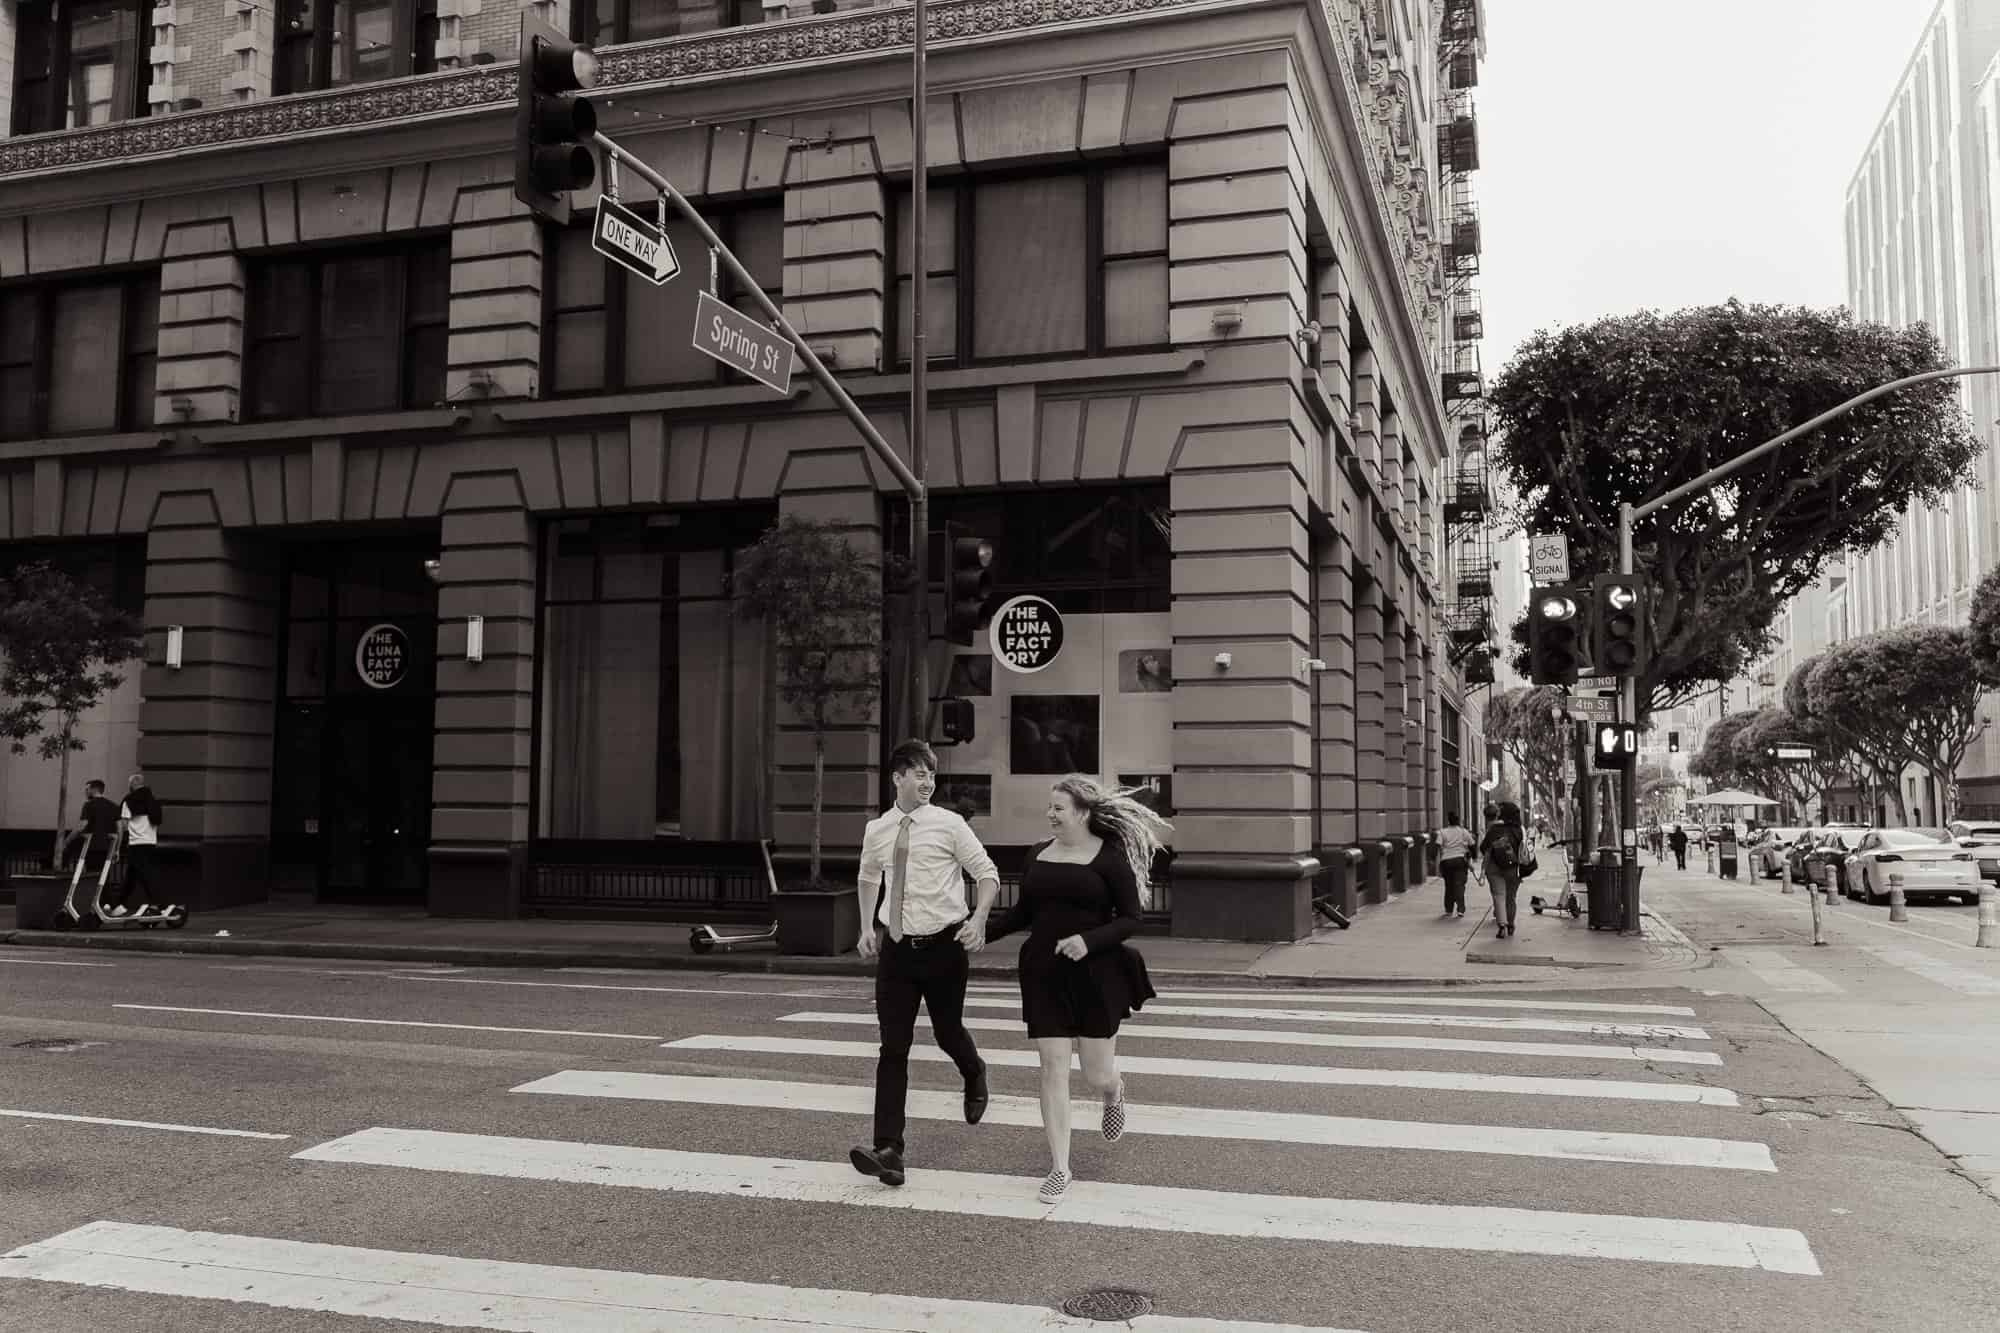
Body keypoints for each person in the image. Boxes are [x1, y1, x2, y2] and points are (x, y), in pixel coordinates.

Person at [986, 776, 1167, 1204]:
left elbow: (1131, 919)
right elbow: (1022, 914)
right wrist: (978, 932)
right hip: (1044, 972)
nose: (1050, 814)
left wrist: (1089, 941)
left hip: (1096, 975)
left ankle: (1114, 1092)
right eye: (1049, 807)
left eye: (1058, 808)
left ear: (1082, 813)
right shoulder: (1037, 855)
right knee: (1052, 1068)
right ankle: (1059, 1168)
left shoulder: (1109, 859)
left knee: (1096, 1073)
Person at [849, 740, 1000, 1190]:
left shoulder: (949, 825)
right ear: (897, 778)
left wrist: (978, 920)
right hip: (896, 949)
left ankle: (973, 1070)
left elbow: (987, 874)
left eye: (931, 775)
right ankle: (889, 1150)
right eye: (918, 774)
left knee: (947, 1031)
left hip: (944, 947)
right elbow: (867, 877)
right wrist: (864, 929)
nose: (928, 782)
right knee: (893, 1048)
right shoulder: (878, 829)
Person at [108, 773, 163, 916]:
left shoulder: (129, 800)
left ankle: (157, 902)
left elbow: (124, 825)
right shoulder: (153, 800)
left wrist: (118, 844)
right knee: (132, 876)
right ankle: (118, 904)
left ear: (132, 784)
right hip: (150, 842)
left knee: (145, 875)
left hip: (136, 842)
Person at [1480, 800, 1526, 939]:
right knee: (1511, 898)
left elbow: (1483, 848)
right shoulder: (1519, 829)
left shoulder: (1494, 829)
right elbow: (1524, 850)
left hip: (1494, 867)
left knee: (1499, 896)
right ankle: (1511, 924)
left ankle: (1502, 926)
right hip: (1513, 868)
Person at [66, 779, 121, 883]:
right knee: (105, 878)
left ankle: (95, 899)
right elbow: (120, 829)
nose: (85, 792)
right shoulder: (113, 806)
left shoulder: (88, 805)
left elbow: (82, 826)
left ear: (94, 789)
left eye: (87, 789)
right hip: (108, 847)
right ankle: (105, 899)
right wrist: (117, 849)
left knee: (93, 878)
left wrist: (66, 841)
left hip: (92, 847)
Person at [1436, 809, 1474, 918]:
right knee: (1459, 885)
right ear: (1458, 822)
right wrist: (1472, 857)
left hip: (1446, 861)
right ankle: (1460, 909)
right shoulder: (1463, 831)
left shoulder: (1442, 832)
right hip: (1460, 861)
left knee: (1448, 886)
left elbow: (1437, 846)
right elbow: (1472, 844)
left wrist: (1432, 859)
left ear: (1448, 821)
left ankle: (1449, 909)